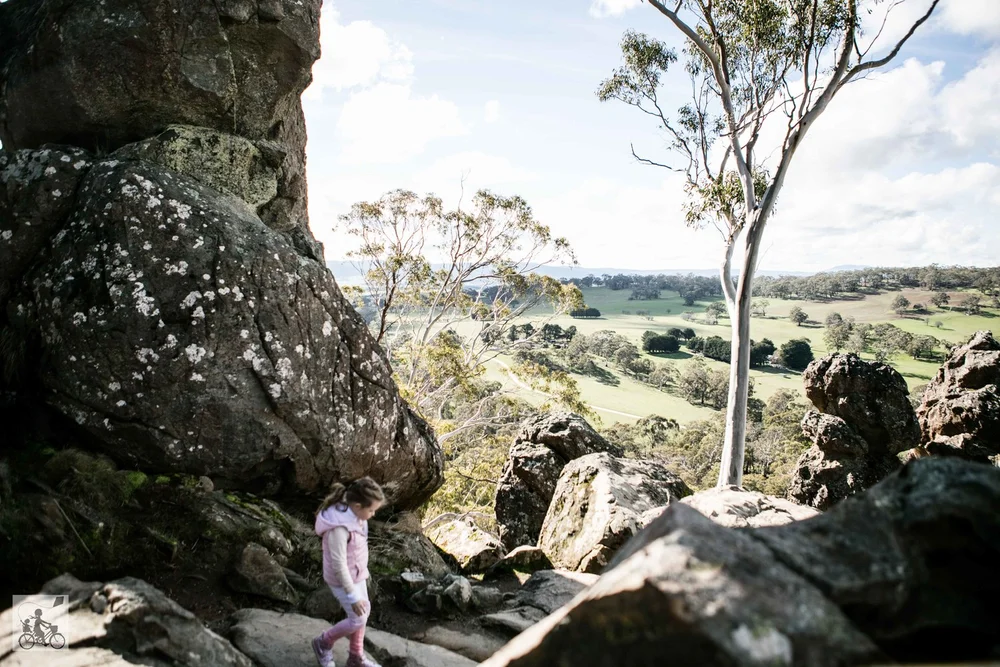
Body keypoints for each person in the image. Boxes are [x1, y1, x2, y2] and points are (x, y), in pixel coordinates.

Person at [311, 477, 385, 667]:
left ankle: (355, 657)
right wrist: (352, 596)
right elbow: (339, 565)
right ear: (358, 506)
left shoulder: (357, 515)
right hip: (342, 579)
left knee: (363, 613)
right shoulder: (339, 528)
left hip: (357, 574)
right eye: (371, 510)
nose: (373, 514)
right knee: (357, 618)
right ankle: (323, 643)